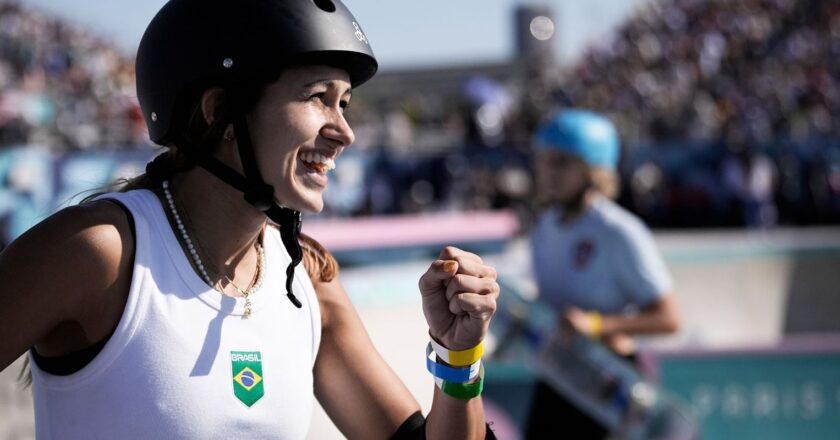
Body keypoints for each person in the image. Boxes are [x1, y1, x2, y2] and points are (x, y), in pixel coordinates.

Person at [0, 1, 500, 438]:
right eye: (317, 98)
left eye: (344, 104)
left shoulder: (305, 277)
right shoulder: (97, 251)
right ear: (220, 111)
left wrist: (459, 354)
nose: (345, 132)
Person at [524, 110, 680, 439]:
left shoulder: (618, 230)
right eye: (545, 159)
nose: (550, 171)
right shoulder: (544, 227)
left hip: (609, 383)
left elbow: (669, 318)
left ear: (593, 171)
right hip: (558, 377)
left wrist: (595, 325)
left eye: (563, 161)